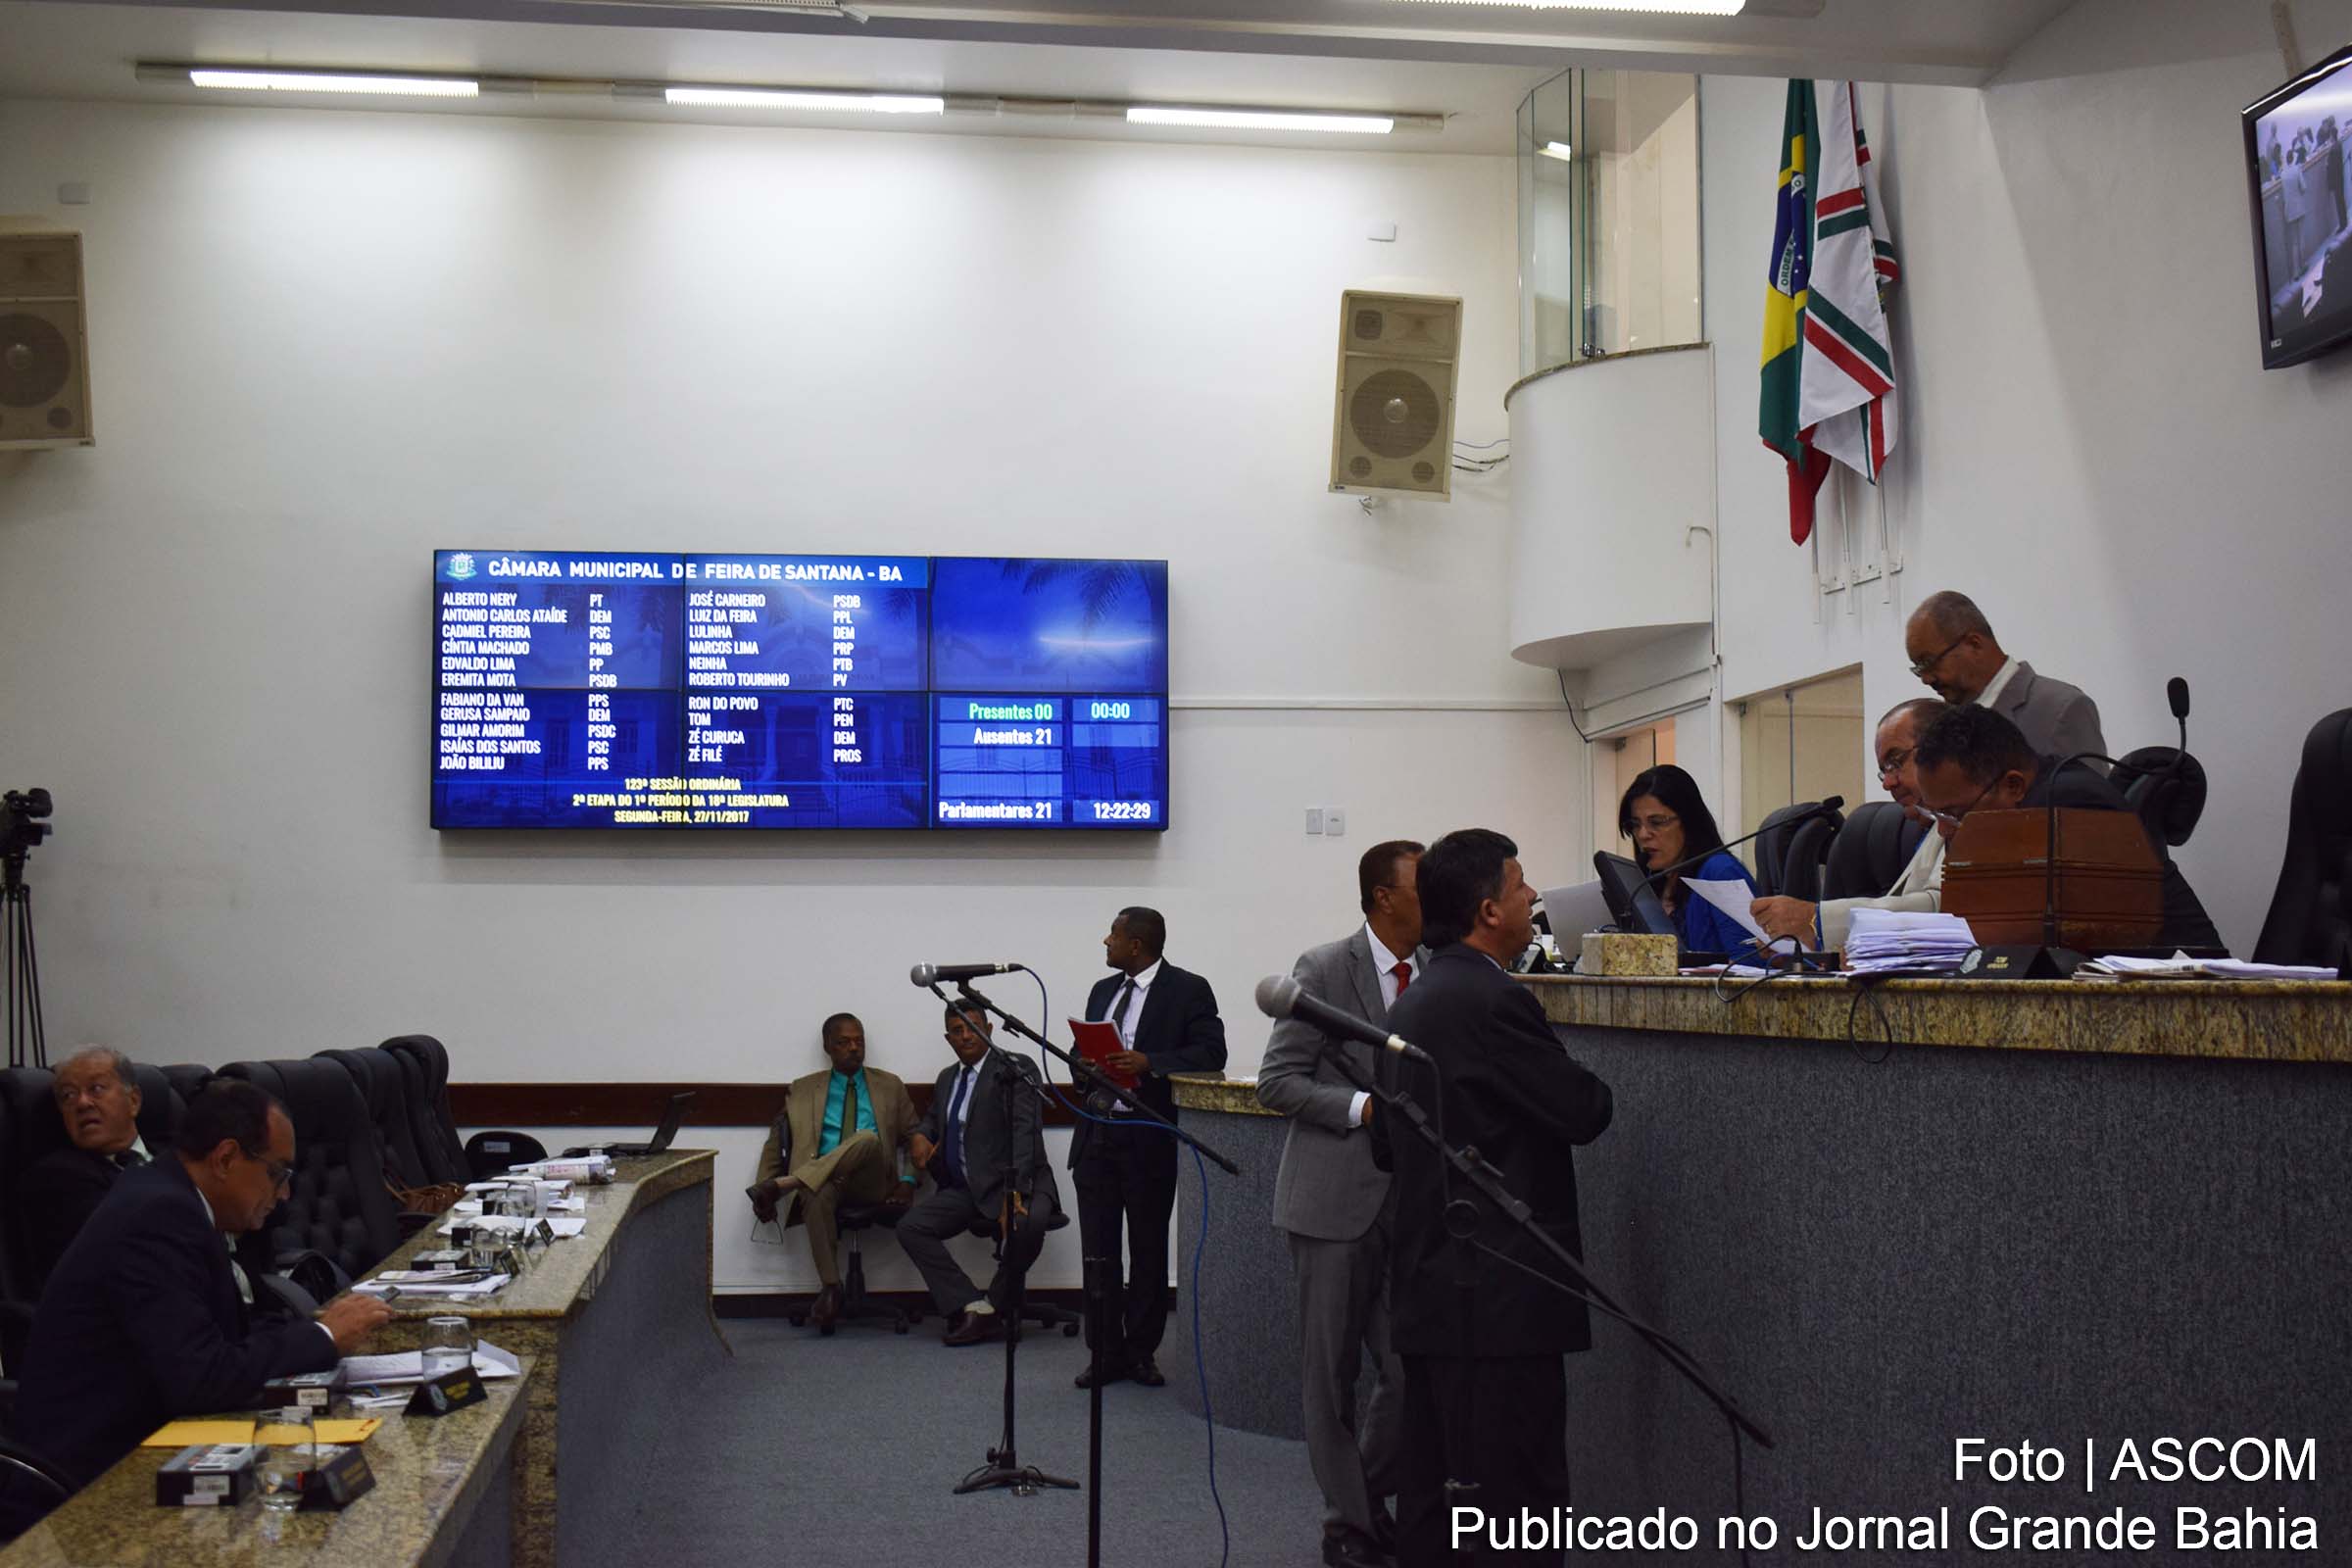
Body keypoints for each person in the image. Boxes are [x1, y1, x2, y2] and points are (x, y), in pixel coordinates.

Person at [1371, 829, 1612, 1566]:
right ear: (1487, 910)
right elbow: (1585, 1110)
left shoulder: (1413, 1003)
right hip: (1504, 1299)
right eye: (1519, 885)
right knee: (1518, 1506)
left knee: (1435, 1498)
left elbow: (1385, 1145)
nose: (1533, 895)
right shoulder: (1494, 1000)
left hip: (1430, 1290)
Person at [7, 1080, 396, 1514]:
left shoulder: (174, 1200)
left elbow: (226, 1336)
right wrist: (323, 1335)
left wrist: (316, 1332)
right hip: (92, 1482)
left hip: (145, 1437)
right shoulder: (158, 1215)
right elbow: (204, 1377)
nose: (284, 1193)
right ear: (226, 1158)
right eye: (277, 1173)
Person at [1256, 840, 1424, 1568]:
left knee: (1411, 1368)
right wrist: (1362, 1108)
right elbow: (1278, 1082)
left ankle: (1363, 1498)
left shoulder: (1439, 972)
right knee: (1330, 1378)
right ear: (1384, 896)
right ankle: (1350, 1523)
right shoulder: (1324, 968)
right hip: (1331, 1204)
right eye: (1423, 884)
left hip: (1412, 1205)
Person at [1912, 706, 2223, 950]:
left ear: (2013, 785)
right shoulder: (2027, 804)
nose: (1944, 831)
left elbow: (2045, 941)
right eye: (1935, 813)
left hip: (2193, 1004)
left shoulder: (2069, 804)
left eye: (1954, 814)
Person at [1070, 906, 1226, 1389]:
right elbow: (1082, 1052)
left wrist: (1148, 1062)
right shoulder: (1103, 991)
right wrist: (1082, 1064)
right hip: (1097, 1134)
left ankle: (1141, 1352)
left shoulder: (1188, 989)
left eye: (1112, 934)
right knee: (1098, 1252)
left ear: (1136, 944)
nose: (1105, 942)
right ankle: (1104, 1352)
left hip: (1148, 1138)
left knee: (1147, 1250)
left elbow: (1210, 1054)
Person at [898, 1004, 1061, 1346]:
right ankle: (970, 1303)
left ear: (989, 1027)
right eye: (957, 1030)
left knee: (1025, 1226)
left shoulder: (1015, 1068)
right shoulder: (947, 1078)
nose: (966, 1036)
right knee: (911, 1227)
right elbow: (933, 1118)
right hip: (967, 1188)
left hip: (1022, 1182)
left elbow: (1025, 1135)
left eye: (973, 1027)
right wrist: (920, 1135)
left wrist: (1012, 1191)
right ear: (948, 1038)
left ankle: (992, 1307)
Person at [749, 1012, 917, 1331]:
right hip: (825, 1180)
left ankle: (790, 1183)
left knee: (867, 1140)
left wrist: (908, 1180)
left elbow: (915, 1138)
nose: (854, 1048)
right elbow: (776, 1141)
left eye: (859, 1041)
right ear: (828, 1046)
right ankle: (831, 1288)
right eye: (844, 1042)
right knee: (816, 1190)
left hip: (872, 1180)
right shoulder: (802, 1089)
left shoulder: (889, 1085)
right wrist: (763, 1185)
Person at [1751, 699, 1950, 950]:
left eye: (1896, 762)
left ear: (1942, 751)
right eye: (1883, 770)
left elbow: (1942, 907)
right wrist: (1803, 952)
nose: (1887, 783)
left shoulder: (1970, 819)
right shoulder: (1933, 823)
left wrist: (1815, 919)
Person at [1903, 590, 2106, 760]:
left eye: (1929, 662)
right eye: (1918, 669)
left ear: (1974, 644)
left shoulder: (2061, 709)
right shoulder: (1944, 726)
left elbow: (2091, 805)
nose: (1926, 679)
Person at [19, 1046, 153, 1293]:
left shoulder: (179, 1157)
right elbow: (129, 1250)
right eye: (68, 1095)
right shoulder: (58, 1178)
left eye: (96, 1088)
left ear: (133, 1101)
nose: (82, 1103)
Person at [1619, 763, 1758, 956]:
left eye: (1657, 822)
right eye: (1635, 824)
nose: (1642, 834)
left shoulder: (1720, 871)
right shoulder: (1650, 880)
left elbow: (1751, 966)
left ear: (1690, 821)